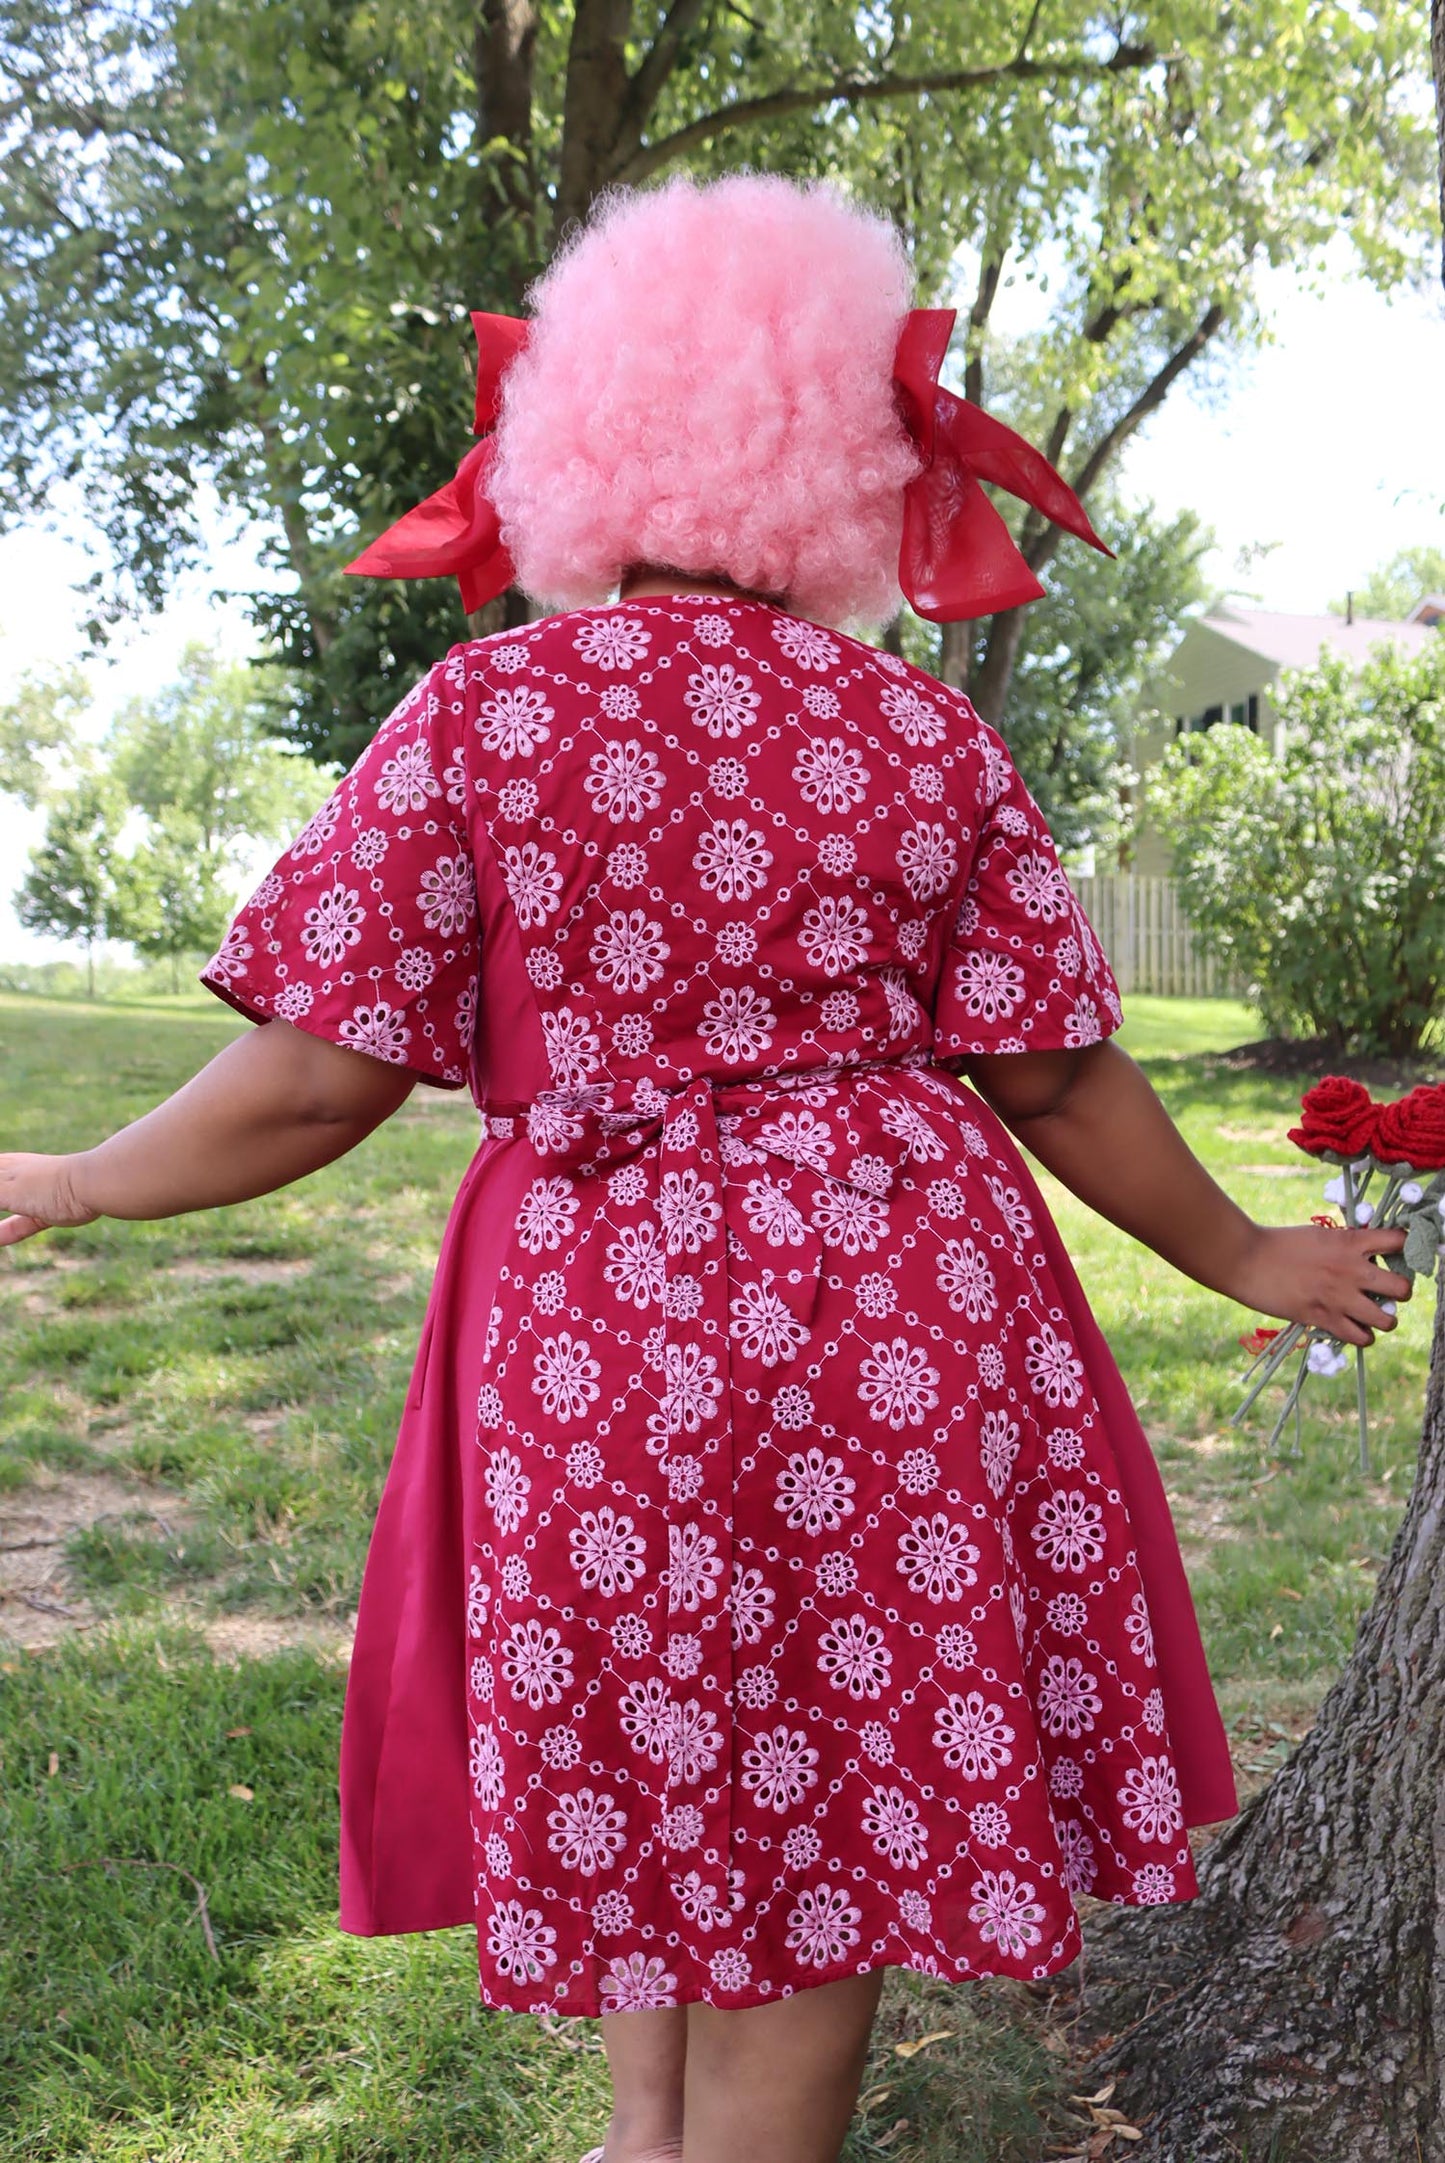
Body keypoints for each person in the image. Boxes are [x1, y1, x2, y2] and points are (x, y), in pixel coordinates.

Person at [0, 173, 1411, 2163]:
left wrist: (72, 1169)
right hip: (897, 1323)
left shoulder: (483, 711)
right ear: (835, 462)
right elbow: (1059, 1072)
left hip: (607, 1344)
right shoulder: (918, 727)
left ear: (583, 439)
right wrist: (1245, 1249)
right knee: (812, 1812)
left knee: (673, 1753)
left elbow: (317, 1077)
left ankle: (658, 2147)